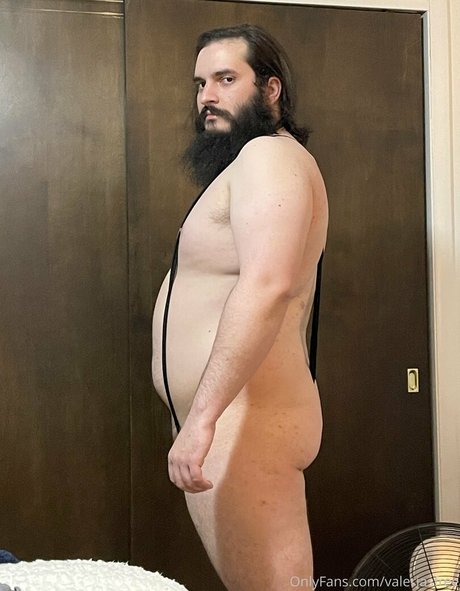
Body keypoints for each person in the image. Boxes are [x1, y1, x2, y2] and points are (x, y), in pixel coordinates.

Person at [152, 24, 328, 591]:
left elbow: (268, 284)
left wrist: (202, 420)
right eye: (200, 83)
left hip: (244, 420)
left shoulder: (268, 156)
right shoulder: (253, 163)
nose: (207, 96)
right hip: (230, 418)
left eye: (226, 79)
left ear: (271, 89)